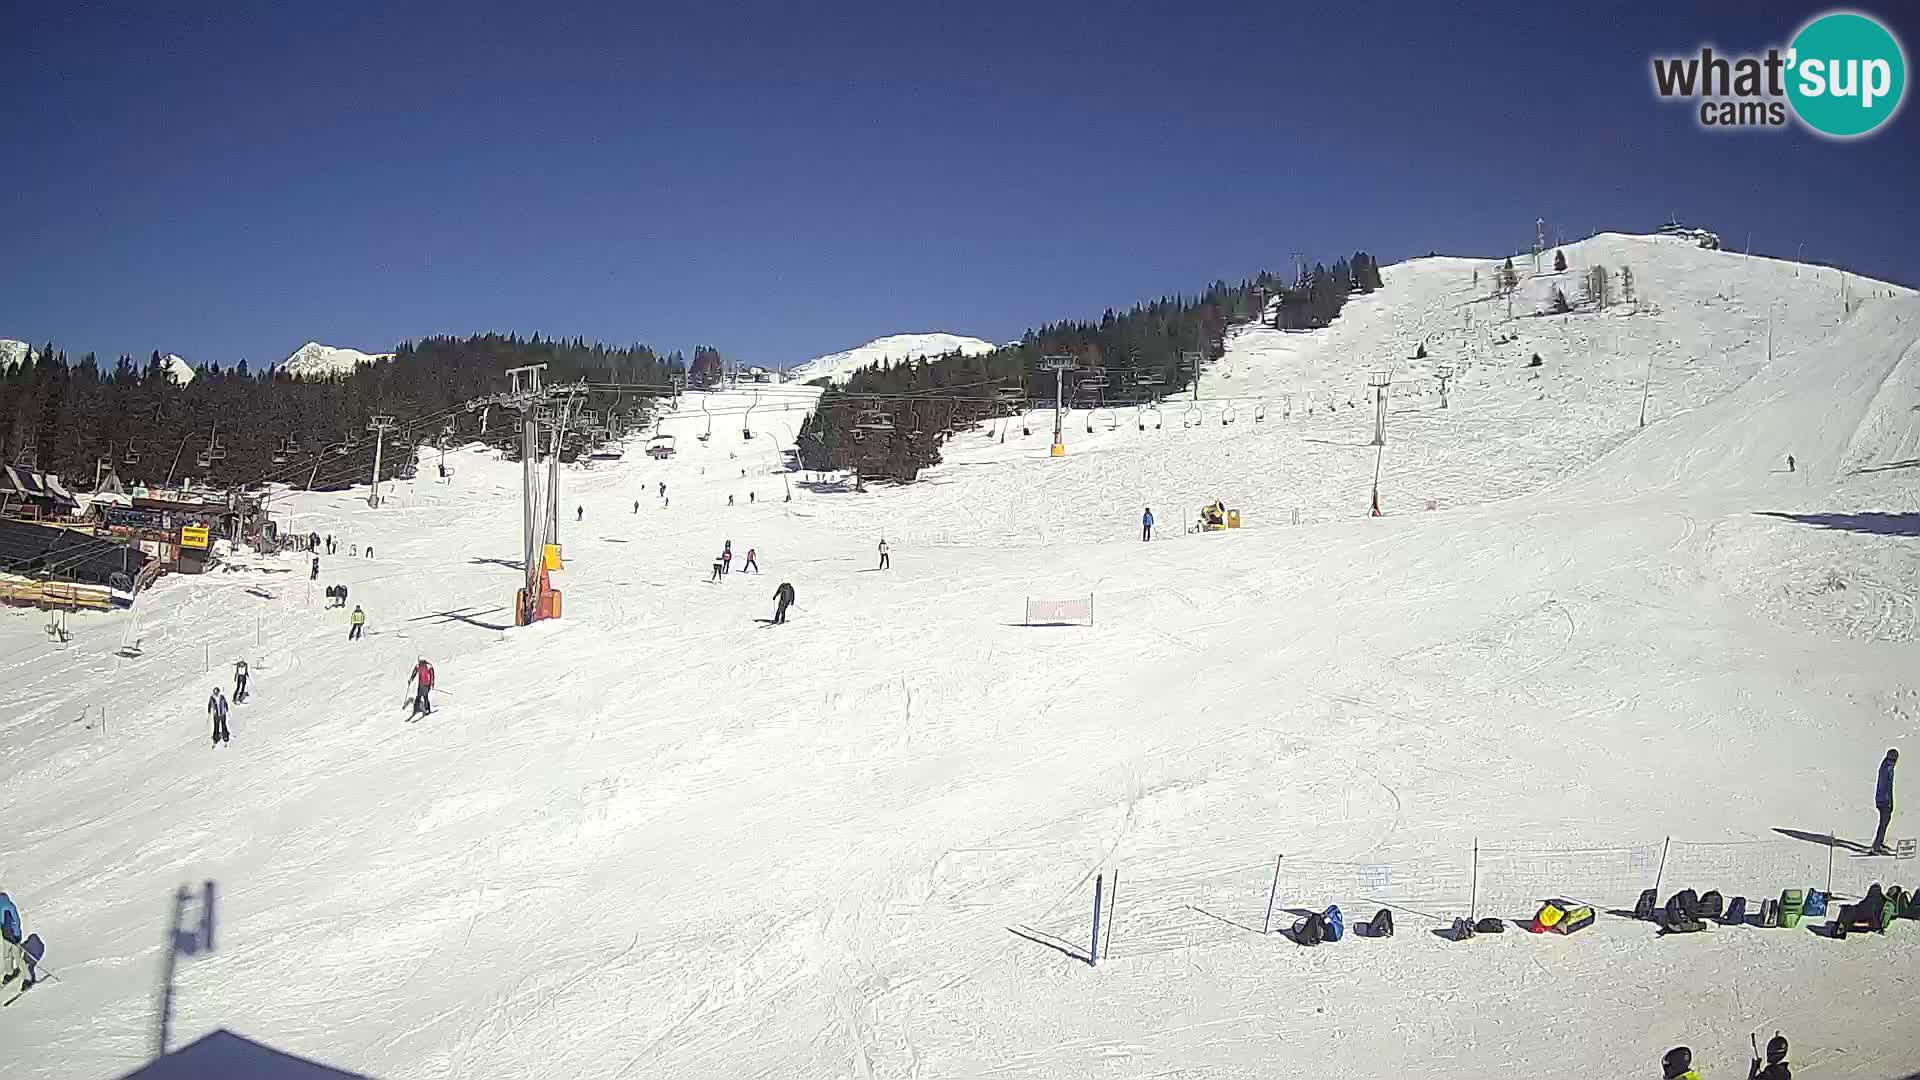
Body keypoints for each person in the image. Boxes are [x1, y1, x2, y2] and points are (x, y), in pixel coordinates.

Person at [0, 892, 28, 990]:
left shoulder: (8, 906)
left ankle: (27, 978)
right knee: (7, 955)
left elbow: (16, 920)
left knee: (17, 956)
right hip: (5, 935)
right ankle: (9, 972)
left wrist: (16, 934)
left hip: (13, 935)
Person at [1873, 748, 1898, 854]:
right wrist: (1888, 801)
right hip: (1883, 800)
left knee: (1885, 822)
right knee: (1883, 822)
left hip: (1884, 799)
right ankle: (1876, 846)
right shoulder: (1887, 768)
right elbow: (1885, 786)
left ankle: (1879, 843)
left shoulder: (1887, 766)